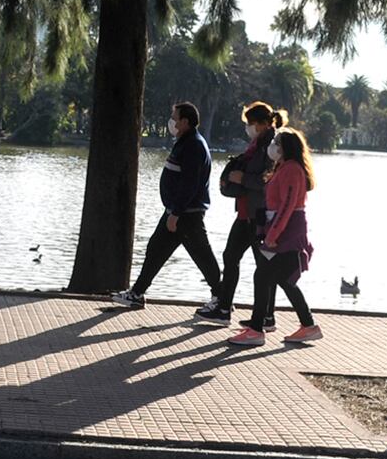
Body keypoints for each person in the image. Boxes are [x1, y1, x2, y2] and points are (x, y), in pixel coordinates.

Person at [110, 101, 222, 310]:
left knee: (202, 256)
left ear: (185, 122)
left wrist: (176, 212)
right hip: (176, 211)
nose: (171, 121)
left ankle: (221, 299)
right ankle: (137, 293)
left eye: (174, 117)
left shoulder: (194, 145)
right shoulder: (185, 141)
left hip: (186, 214)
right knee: (155, 249)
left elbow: (190, 183)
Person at [232, 127, 321, 345]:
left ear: (286, 148)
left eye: (277, 143)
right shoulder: (284, 168)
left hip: (287, 234)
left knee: (263, 276)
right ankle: (308, 325)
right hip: (282, 230)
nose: (273, 146)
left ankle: (256, 330)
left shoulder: (291, 170)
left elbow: (287, 206)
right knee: (283, 279)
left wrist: (273, 234)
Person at [199, 102, 283, 325]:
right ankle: (224, 308)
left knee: (264, 266)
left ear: (264, 124)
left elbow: (270, 181)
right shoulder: (255, 146)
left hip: (260, 216)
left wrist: (242, 179)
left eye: (251, 124)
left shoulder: (273, 148)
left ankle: (266, 315)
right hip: (245, 213)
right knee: (230, 256)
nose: (248, 128)